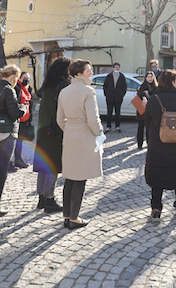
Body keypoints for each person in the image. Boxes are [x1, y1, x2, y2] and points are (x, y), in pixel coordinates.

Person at [144, 69, 176, 222]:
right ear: (173, 82)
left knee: (157, 178)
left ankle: (156, 210)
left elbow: (147, 122)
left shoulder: (154, 100)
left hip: (158, 146)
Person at [57, 59, 103, 230]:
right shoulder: (88, 91)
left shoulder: (64, 91)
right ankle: (74, 218)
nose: (91, 73)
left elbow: (59, 119)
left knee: (70, 177)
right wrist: (99, 132)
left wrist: (70, 129)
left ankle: (67, 216)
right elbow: (93, 119)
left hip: (70, 135)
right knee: (80, 178)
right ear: (79, 73)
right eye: (88, 71)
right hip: (84, 136)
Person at [0, 64, 28, 218]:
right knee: (2, 170)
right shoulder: (8, 90)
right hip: (6, 133)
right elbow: (14, 113)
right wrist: (23, 108)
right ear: (13, 76)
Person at [34, 57, 70, 212]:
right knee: (52, 166)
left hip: (43, 128)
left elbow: (39, 95)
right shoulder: (64, 85)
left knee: (44, 165)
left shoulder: (47, 84)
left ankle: (41, 198)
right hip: (55, 129)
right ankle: (49, 200)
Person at [9, 71, 32, 171]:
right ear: (19, 78)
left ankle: (18, 159)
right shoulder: (16, 88)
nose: (27, 80)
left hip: (25, 118)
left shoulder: (28, 88)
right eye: (24, 78)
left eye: (28, 78)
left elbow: (30, 103)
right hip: (17, 118)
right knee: (13, 141)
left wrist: (30, 117)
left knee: (20, 140)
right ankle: (9, 162)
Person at [136, 71, 158, 149]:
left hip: (152, 110)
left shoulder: (156, 87)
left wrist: (148, 94)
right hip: (142, 110)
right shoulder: (143, 86)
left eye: (151, 77)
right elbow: (139, 94)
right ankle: (139, 144)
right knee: (141, 127)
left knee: (150, 128)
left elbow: (156, 96)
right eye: (148, 77)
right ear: (146, 78)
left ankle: (149, 143)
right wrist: (144, 96)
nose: (150, 78)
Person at [102, 62, 127, 133]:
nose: (117, 69)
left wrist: (121, 95)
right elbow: (105, 86)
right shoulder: (109, 76)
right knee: (109, 113)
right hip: (110, 98)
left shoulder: (122, 77)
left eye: (118, 67)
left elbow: (124, 87)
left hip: (118, 98)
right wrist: (107, 95)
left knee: (118, 113)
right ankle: (108, 127)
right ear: (113, 68)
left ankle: (117, 126)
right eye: (116, 67)